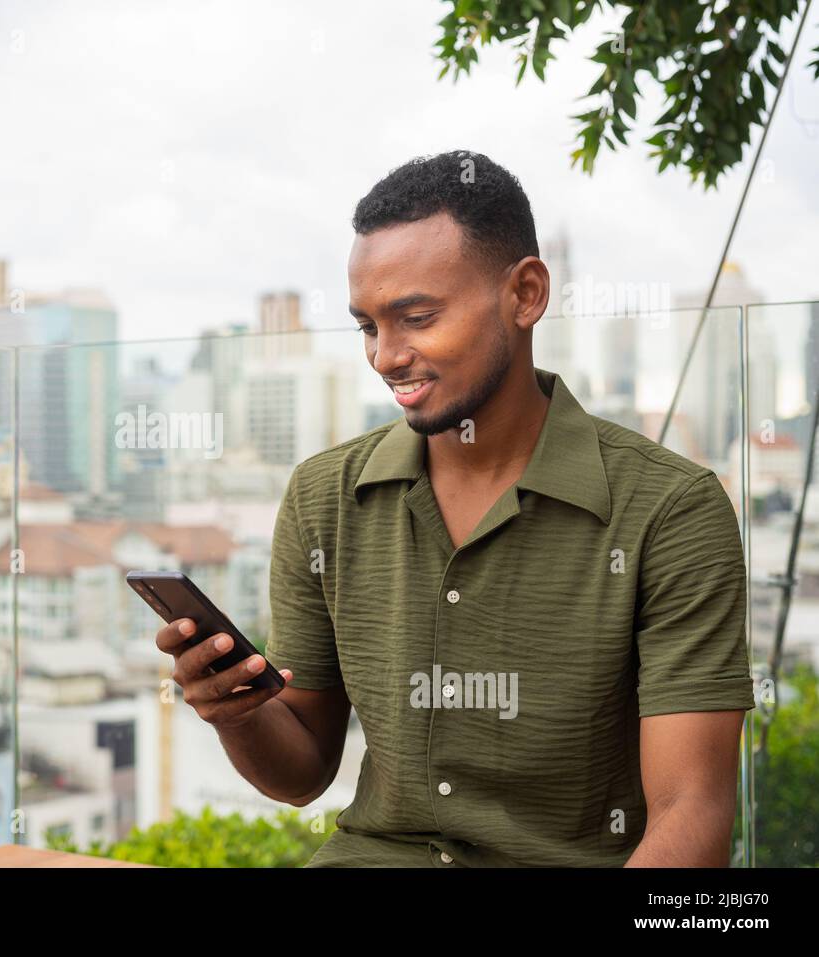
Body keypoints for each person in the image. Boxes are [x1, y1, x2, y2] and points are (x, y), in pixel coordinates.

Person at [155, 150, 756, 867]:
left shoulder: (671, 510)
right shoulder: (324, 497)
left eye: (415, 318)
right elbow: (302, 772)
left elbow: (694, 813)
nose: (384, 355)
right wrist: (237, 710)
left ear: (526, 294)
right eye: (368, 327)